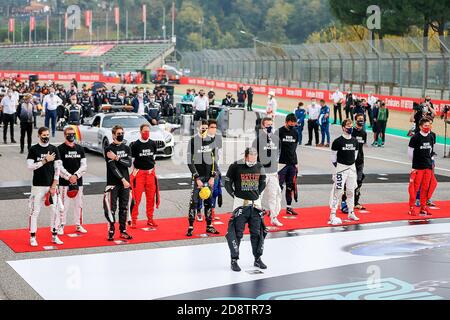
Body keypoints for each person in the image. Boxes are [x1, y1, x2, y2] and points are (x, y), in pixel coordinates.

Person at [225, 147, 267, 272]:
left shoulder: (259, 166)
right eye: (250, 160)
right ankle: (234, 260)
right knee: (237, 233)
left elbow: (263, 183)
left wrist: (256, 195)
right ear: (246, 156)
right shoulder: (235, 166)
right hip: (240, 205)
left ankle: (257, 258)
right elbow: (227, 183)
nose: (252, 162)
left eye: (255, 159)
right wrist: (234, 195)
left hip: (255, 205)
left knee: (257, 233)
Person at [27, 127, 63, 247]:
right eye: (43, 135)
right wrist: (44, 161)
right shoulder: (33, 149)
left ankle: (54, 235)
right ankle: (32, 236)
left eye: (47, 134)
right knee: (35, 212)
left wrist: (54, 184)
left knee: (55, 210)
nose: (46, 136)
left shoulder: (54, 149)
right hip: (37, 186)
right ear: (38, 135)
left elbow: (58, 168)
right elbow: (29, 166)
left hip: (51, 186)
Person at [186, 120, 220, 237]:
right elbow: (189, 162)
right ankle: (190, 226)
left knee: (209, 202)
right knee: (194, 202)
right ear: (198, 128)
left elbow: (215, 161)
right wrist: (196, 178)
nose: (204, 130)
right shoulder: (192, 141)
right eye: (202, 128)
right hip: (198, 178)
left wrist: (212, 177)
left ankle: (209, 226)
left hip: (208, 177)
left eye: (206, 128)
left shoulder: (212, 141)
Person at [103, 125, 133, 241]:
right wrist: (123, 179)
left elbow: (128, 164)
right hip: (113, 183)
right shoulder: (108, 149)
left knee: (124, 208)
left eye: (122, 133)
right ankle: (111, 230)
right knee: (111, 208)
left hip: (125, 183)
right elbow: (112, 167)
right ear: (113, 135)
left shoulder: (127, 148)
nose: (121, 135)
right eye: (119, 133)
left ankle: (123, 230)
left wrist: (116, 158)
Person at [57, 126, 88, 235]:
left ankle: (78, 225)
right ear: (65, 135)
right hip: (64, 183)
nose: (71, 136)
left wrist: (76, 175)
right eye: (69, 134)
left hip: (78, 182)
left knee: (79, 204)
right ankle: (60, 225)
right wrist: (69, 177)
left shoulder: (80, 148)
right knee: (63, 206)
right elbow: (59, 167)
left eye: (73, 134)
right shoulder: (59, 149)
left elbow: (84, 166)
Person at [329, 119, 360, 225]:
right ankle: (332, 214)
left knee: (351, 191)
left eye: (351, 125)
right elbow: (333, 158)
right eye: (348, 126)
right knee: (338, 192)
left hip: (352, 168)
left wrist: (350, 164)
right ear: (343, 127)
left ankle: (351, 212)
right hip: (341, 168)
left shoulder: (355, 141)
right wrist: (338, 168)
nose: (350, 127)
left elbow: (355, 155)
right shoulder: (337, 141)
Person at [253, 117, 282, 226]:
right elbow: (253, 157)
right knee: (258, 196)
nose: (269, 127)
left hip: (273, 173)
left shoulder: (276, 139)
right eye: (267, 125)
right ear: (262, 126)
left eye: (271, 124)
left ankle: (274, 217)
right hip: (262, 173)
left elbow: (278, 153)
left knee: (274, 196)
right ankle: (256, 219)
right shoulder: (257, 140)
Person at [130, 123, 160, 228]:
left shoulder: (153, 144)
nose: (146, 133)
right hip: (139, 174)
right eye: (144, 131)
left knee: (151, 198)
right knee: (136, 198)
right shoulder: (135, 145)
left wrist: (150, 168)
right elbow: (133, 161)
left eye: (148, 131)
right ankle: (134, 220)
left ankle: (150, 219)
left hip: (150, 174)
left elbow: (153, 157)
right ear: (140, 132)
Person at [408, 118, 438, 216]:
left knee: (425, 187)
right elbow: (410, 153)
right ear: (420, 126)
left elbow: (431, 151)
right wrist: (414, 165)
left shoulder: (431, 137)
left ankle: (423, 207)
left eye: (429, 125)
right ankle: (411, 207)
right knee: (415, 188)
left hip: (428, 166)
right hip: (418, 167)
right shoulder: (415, 138)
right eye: (425, 125)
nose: (427, 127)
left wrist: (430, 162)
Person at [341, 113, 367, 212]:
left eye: (363, 119)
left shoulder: (364, 133)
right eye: (359, 119)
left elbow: (361, 147)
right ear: (355, 120)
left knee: (359, 182)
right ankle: (344, 203)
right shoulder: (351, 132)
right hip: (350, 161)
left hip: (360, 161)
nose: (361, 120)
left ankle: (355, 202)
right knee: (347, 183)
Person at [277, 113, 299, 216]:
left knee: (290, 187)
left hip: (292, 164)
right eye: (291, 123)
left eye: (294, 123)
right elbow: (274, 148)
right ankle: (275, 208)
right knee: (278, 187)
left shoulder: (295, 132)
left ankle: (289, 208)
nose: (293, 125)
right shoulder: (279, 132)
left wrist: (296, 163)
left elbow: (294, 149)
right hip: (281, 164)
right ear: (286, 122)